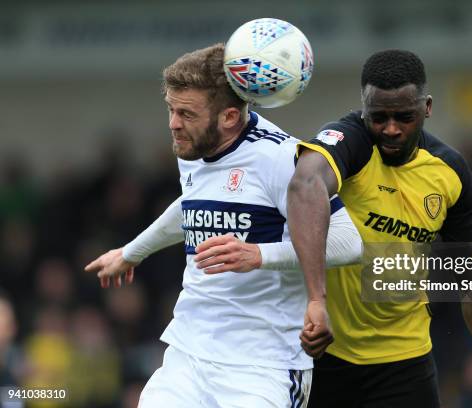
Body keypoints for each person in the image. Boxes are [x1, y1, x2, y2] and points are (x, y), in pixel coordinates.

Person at [84, 43, 361, 408]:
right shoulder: (194, 149)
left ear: (229, 117)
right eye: (170, 109)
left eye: (186, 113)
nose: (173, 124)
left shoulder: (282, 159)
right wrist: (132, 252)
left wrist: (258, 254)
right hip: (188, 353)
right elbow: (193, 205)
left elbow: (348, 243)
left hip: (262, 365)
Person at [286, 49, 472, 407]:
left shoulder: (448, 172)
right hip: (326, 354)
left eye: (404, 117)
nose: (390, 129)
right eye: (378, 117)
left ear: (427, 107)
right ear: (364, 108)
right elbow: (304, 186)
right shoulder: (352, 143)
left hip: (406, 362)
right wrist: (317, 299)